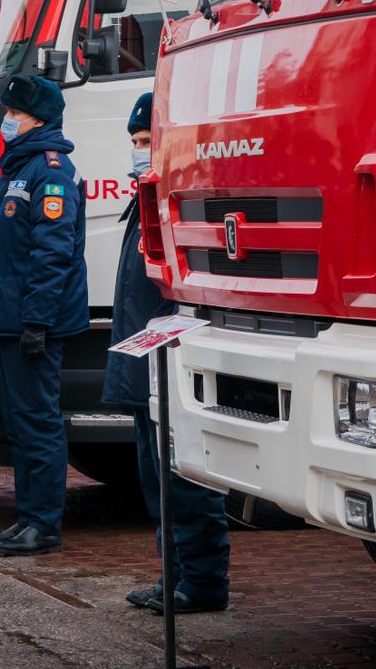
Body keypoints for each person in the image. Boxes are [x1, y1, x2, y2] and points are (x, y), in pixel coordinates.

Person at [103, 93, 230, 614]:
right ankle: (171, 576)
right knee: (155, 480)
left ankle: (200, 582)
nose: (139, 151)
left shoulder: (186, 197)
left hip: (173, 364)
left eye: (147, 141)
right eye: (134, 142)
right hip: (143, 364)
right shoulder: (144, 198)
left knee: (185, 481)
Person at [0, 74, 88, 557]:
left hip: (34, 323)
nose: (7, 122)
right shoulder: (20, 167)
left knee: (39, 422)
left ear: (38, 118)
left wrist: (37, 320)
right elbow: (2, 253)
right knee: (21, 423)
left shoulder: (50, 169)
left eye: (14, 114)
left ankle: (44, 523)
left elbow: (52, 252)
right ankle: (28, 518)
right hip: (11, 319)